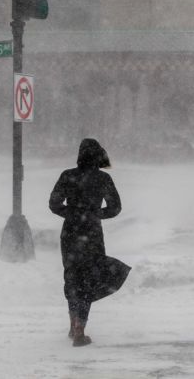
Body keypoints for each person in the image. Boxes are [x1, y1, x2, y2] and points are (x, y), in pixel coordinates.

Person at [49, 138, 130, 347]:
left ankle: (72, 322)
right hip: (92, 233)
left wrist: (73, 214)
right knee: (89, 278)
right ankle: (80, 329)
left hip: (70, 234)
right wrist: (95, 214)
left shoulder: (67, 176)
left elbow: (54, 204)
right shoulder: (103, 179)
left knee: (72, 276)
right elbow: (116, 207)